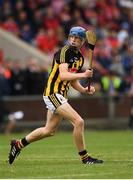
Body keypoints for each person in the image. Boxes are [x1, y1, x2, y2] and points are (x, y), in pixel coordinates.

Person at [8, 26, 103, 165]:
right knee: (79, 121)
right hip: (53, 93)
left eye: (77, 38)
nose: (74, 40)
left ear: (83, 41)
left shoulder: (80, 58)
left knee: (49, 131)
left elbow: (72, 81)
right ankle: (85, 158)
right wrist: (84, 74)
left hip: (61, 96)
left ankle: (18, 144)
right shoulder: (64, 52)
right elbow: (64, 75)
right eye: (72, 37)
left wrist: (83, 90)